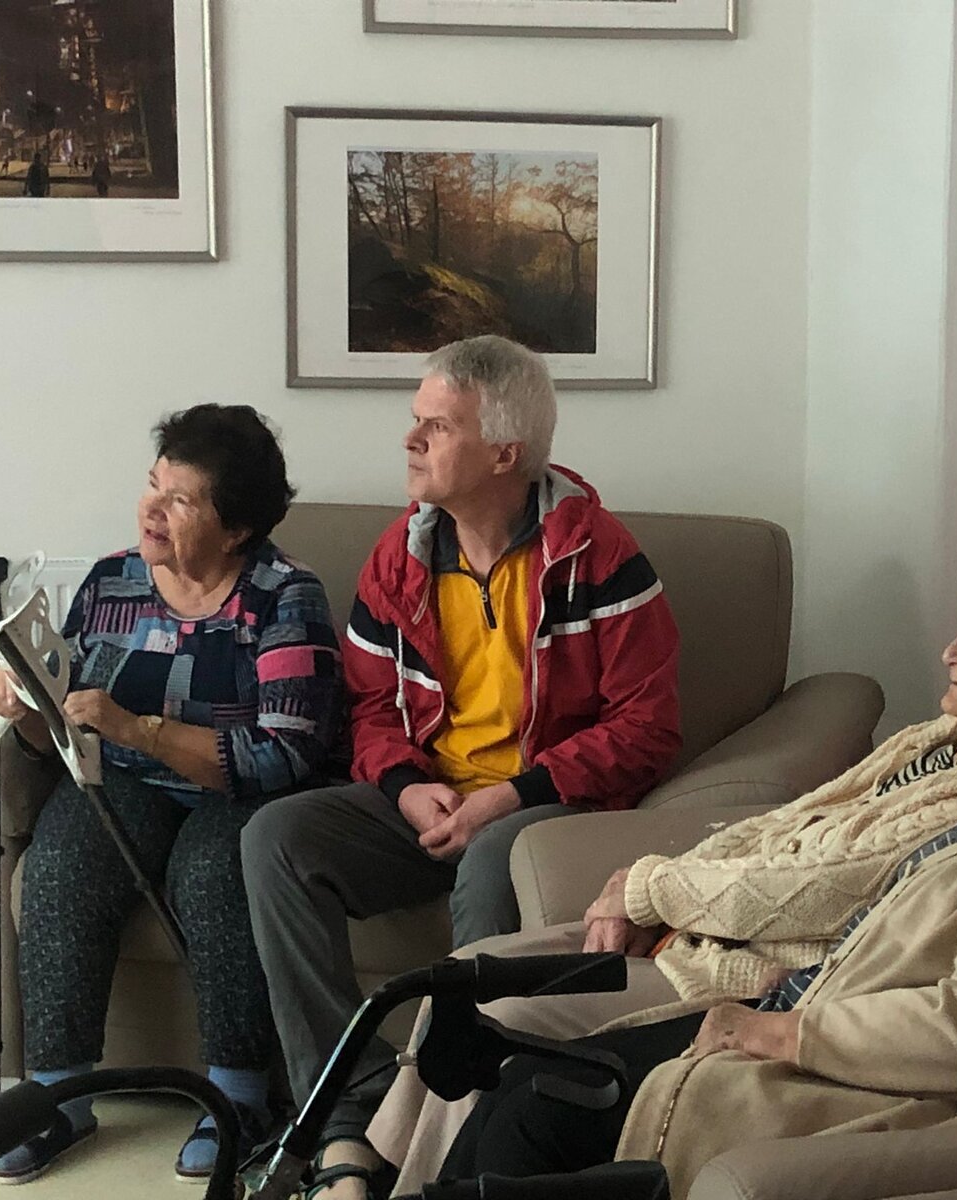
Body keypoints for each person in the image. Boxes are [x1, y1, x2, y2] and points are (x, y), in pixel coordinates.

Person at [424, 513, 957, 1199]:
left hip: (872, 1062)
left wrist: (780, 1024)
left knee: (534, 1106)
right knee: (515, 1073)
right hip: (820, 1006)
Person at [368, 539, 957, 1193]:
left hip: (743, 967)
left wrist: (649, 889)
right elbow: (777, 828)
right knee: (461, 976)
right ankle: (371, 1174)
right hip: (690, 931)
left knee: (496, 1021)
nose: (950, 652)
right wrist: (646, 886)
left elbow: (834, 887)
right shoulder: (939, 738)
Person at [242, 334, 682, 1196]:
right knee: (276, 840)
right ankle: (347, 1113)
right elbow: (370, 707)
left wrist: (508, 797)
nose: (410, 440)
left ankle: (458, 1131)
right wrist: (408, 789)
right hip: (430, 798)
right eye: (416, 421)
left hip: (543, 806)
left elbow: (647, 727)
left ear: (505, 452)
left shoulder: (598, 556)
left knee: (492, 858)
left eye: (436, 427)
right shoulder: (399, 556)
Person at [0, 405, 343, 1184]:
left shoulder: (286, 597)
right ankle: (60, 1098)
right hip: (128, 780)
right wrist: (24, 704)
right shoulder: (111, 581)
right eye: (153, 485)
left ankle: (239, 1100)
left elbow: (284, 753)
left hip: (244, 792)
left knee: (215, 873)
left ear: (236, 528)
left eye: (180, 500)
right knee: (61, 866)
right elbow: (63, 724)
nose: (152, 508)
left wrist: (140, 729)